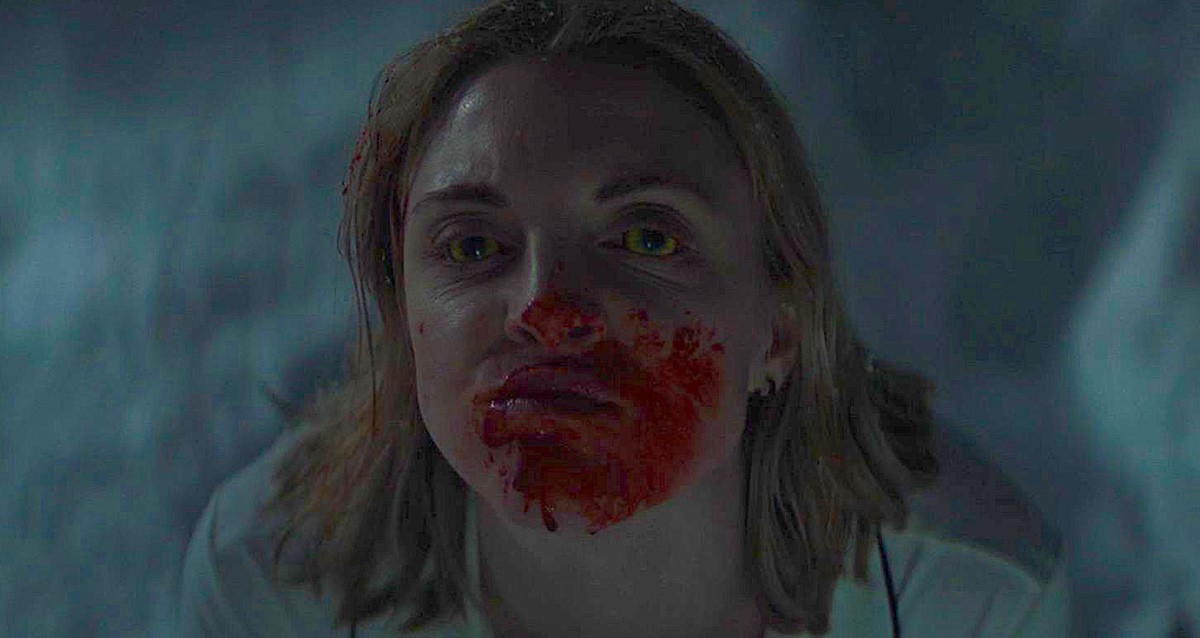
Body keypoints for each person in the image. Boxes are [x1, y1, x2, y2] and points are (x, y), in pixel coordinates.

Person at [179, 0, 1070, 636]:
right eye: (473, 246)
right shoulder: (273, 581)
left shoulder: (965, 595)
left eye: (646, 236)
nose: (546, 310)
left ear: (782, 326)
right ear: (403, 317)